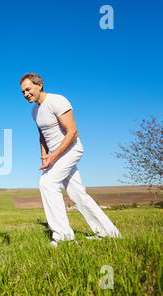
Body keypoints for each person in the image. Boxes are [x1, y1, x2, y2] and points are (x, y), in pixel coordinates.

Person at [20, 73, 121, 247]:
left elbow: (73, 132)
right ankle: (110, 233)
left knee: (47, 183)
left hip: (71, 149)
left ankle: (63, 236)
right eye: (22, 92)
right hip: (56, 155)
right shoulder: (34, 111)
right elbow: (42, 137)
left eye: (28, 89)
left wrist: (54, 155)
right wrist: (44, 156)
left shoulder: (57, 101)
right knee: (77, 194)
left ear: (40, 85)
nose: (25, 94)